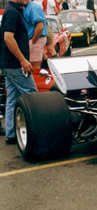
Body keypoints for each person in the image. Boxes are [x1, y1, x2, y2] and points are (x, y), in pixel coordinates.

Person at [0, 0, 38, 144]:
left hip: (9, 64)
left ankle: (11, 133)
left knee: (12, 98)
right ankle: (38, 130)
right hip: (15, 65)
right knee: (33, 95)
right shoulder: (12, 13)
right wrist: (22, 60)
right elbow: (8, 38)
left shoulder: (13, 10)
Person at [24, 0, 48, 68]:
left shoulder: (33, 7)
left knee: (34, 67)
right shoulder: (28, 7)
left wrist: (33, 41)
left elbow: (40, 26)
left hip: (35, 39)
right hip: (33, 39)